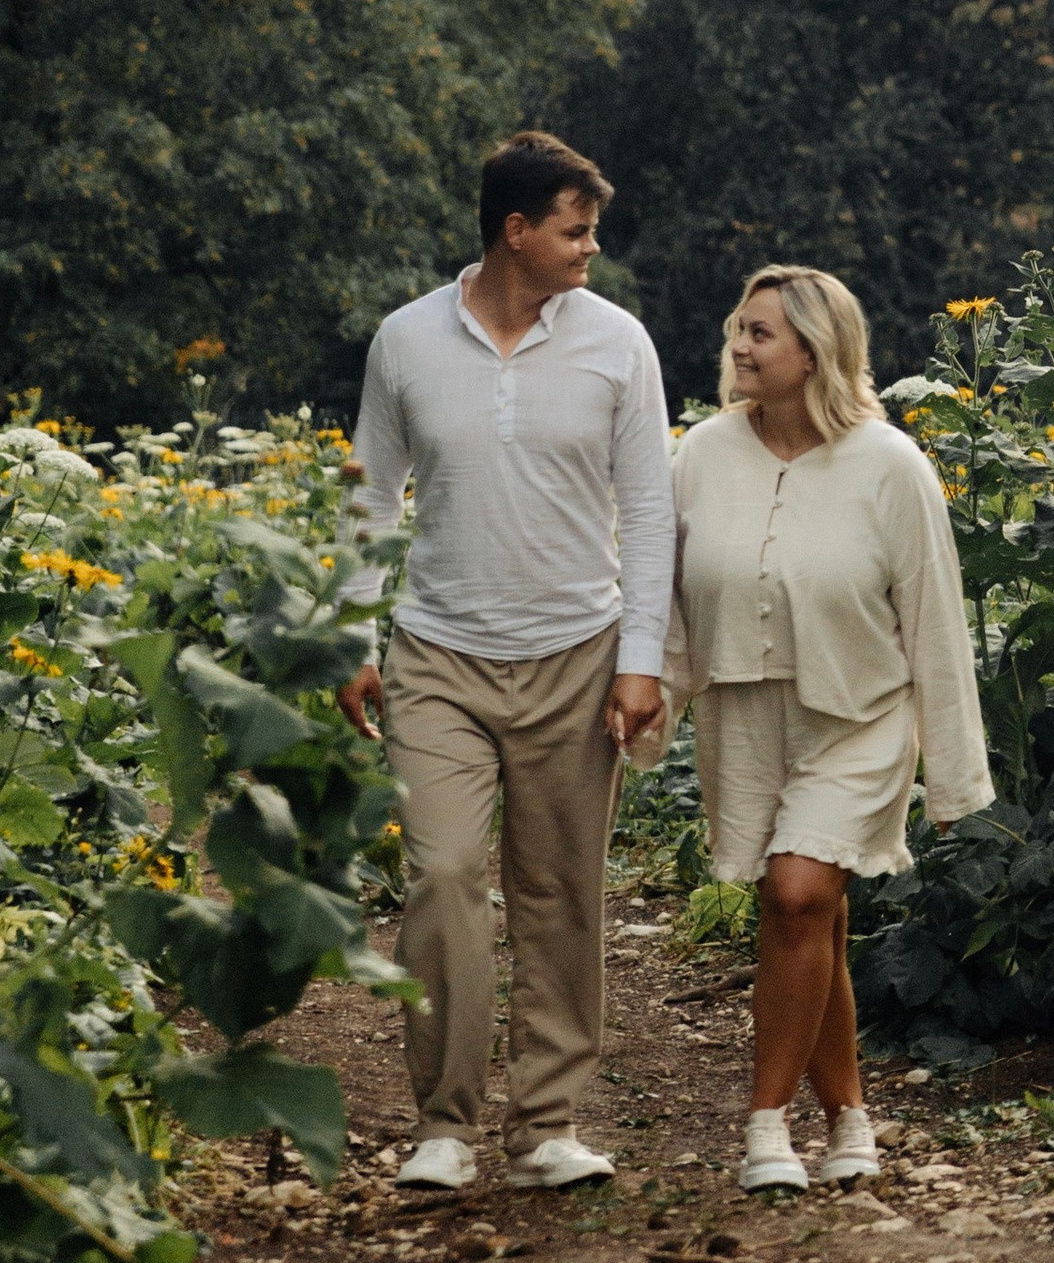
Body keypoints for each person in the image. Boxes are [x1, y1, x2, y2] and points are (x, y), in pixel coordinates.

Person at [339, 131, 673, 1193]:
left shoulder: (618, 343)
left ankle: (545, 1123)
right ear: (514, 229)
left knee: (560, 889)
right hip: (437, 652)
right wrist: (354, 634)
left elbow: (651, 510)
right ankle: (444, 1122)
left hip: (576, 653)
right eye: (576, 230)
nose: (590, 248)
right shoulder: (405, 341)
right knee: (440, 876)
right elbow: (367, 493)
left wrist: (640, 657)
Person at [653, 263, 991, 1192]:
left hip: (862, 713)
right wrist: (649, 700)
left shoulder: (892, 466)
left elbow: (936, 622)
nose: (739, 344)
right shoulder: (703, 454)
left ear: (815, 351)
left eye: (761, 332)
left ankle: (766, 1124)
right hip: (745, 713)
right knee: (814, 915)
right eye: (738, 327)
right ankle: (850, 1117)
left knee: (796, 895)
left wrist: (955, 777)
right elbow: (670, 597)